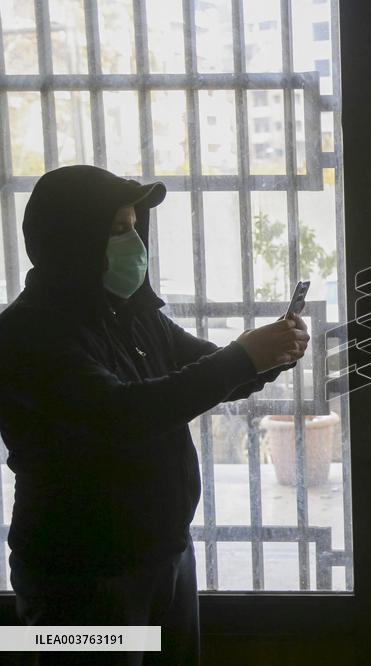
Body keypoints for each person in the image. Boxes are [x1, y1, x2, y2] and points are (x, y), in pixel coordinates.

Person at [0, 165, 310, 665]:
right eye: (118, 229)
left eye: (135, 226)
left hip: (163, 558)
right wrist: (244, 357)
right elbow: (122, 414)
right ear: (70, 239)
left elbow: (205, 369)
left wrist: (271, 355)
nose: (135, 242)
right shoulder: (26, 334)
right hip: (80, 580)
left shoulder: (133, 313)